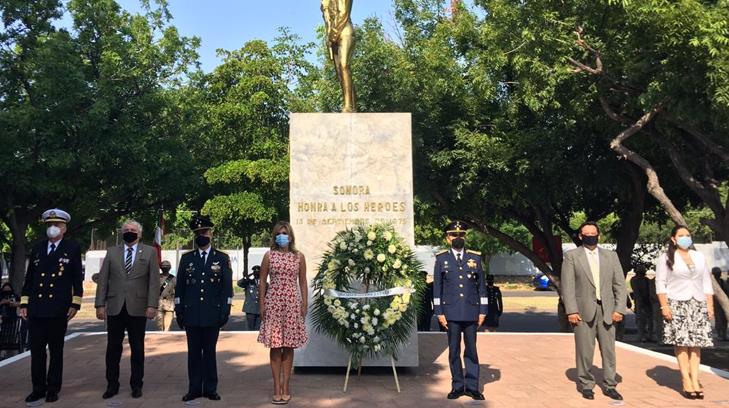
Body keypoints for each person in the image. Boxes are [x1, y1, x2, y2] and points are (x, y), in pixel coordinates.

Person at [19, 209, 83, 403]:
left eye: (57, 225)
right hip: (37, 308)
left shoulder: (72, 248)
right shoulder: (38, 248)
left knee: (56, 351)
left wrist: (76, 303)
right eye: (50, 225)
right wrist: (24, 303)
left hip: (58, 308)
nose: (53, 228)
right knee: (36, 351)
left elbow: (76, 279)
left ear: (64, 228)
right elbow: (29, 279)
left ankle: (53, 388)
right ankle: (38, 388)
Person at [561, 221, 627, 401]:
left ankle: (610, 384)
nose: (591, 236)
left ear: (599, 235)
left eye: (594, 233)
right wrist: (571, 311)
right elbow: (568, 286)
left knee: (609, 350)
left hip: (607, 309)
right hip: (582, 311)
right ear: (581, 236)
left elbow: (619, 285)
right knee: (584, 350)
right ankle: (586, 384)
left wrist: (620, 308)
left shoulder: (610, 256)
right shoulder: (572, 256)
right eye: (586, 233)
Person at [94, 220, 160, 400]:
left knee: (137, 348)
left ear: (139, 234)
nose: (129, 232)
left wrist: (152, 305)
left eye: (132, 230)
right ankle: (112, 384)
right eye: (126, 230)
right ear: (121, 233)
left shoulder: (150, 252)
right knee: (113, 348)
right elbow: (103, 279)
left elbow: (154, 282)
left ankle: (137, 384)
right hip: (115, 307)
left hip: (138, 307)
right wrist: (100, 304)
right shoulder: (112, 252)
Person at [175, 214, 233, 402]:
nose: (202, 235)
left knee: (209, 352)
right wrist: (179, 310)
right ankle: (193, 389)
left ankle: (210, 388)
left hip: (212, 313)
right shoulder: (187, 259)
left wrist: (226, 309)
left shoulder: (222, 258)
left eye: (204, 232)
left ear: (211, 233)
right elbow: (180, 287)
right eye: (198, 233)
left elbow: (226, 287)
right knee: (193, 353)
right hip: (192, 313)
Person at [656, 225, 714, 399]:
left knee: (696, 344)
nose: (685, 238)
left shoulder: (699, 256)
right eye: (681, 235)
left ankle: (695, 380)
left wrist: (709, 306)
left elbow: (706, 282)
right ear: (673, 239)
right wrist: (664, 306)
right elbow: (660, 283)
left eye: (687, 235)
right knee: (681, 343)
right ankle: (686, 380)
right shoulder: (666, 257)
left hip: (698, 303)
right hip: (676, 303)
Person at [433, 220, 487, 401]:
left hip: (471, 311)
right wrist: (439, 312)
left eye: (461, 234)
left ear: (465, 237)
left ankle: (472, 387)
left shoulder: (475, 258)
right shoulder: (441, 259)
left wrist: (483, 311)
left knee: (471, 350)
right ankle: (457, 386)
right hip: (451, 313)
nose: (458, 237)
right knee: (454, 350)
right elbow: (437, 288)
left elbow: (482, 287)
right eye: (454, 235)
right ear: (448, 238)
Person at [257, 221, 308, 405]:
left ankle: (286, 386)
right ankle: (276, 388)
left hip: (292, 304)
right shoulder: (269, 256)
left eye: (285, 233)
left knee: (289, 346)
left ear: (291, 236)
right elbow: (262, 281)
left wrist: (304, 304)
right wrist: (261, 304)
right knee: (275, 345)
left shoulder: (299, 257)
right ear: (274, 236)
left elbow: (302, 282)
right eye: (279, 233)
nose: (282, 236)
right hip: (273, 304)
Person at [630, 265, 653, 342]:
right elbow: (636, 291)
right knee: (641, 320)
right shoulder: (634, 280)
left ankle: (649, 335)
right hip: (640, 301)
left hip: (646, 301)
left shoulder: (645, 280)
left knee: (649, 320)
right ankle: (642, 335)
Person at [238, 265, 262, 331]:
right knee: (250, 329)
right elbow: (239, 283)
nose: (256, 273)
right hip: (250, 308)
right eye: (255, 272)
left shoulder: (265, 283)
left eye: (258, 272)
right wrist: (247, 277)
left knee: (258, 330)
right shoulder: (248, 282)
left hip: (260, 309)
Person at [0, 282, 20, 357]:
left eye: (8, 290)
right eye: (5, 290)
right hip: (2, 319)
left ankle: (10, 353)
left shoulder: (14, 295)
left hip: (12, 319)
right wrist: (2, 302)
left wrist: (13, 303)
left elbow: (21, 303)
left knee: (12, 336)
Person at [156, 260, 176, 331]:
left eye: (167, 266)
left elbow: (178, 291)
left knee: (167, 328)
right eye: (164, 266)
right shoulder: (156, 277)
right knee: (159, 325)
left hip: (169, 302)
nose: (165, 268)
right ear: (161, 268)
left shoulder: (173, 278)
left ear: (170, 268)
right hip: (159, 302)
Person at [712, 267, 727, 341]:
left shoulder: (722, 282)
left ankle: (724, 335)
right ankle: (719, 335)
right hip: (716, 304)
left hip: (723, 303)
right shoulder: (711, 283)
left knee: (724, 319)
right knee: (718, 319)